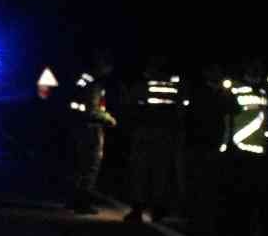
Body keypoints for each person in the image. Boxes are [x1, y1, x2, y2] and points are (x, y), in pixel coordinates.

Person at [123, 54, 188, 222]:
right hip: (165, 134)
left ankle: (138, 209)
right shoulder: (175, 87)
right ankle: (157, 210)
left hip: (145, 133)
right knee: (160, 173)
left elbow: (130, 106)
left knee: (141, 172)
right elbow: (181, 111)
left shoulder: (143, 86)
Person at [68, 49, 116, 213]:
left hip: (78, 125)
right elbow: (92, 109)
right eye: (108, 66)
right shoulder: (95, 83)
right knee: (91, 166)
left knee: (79, 165)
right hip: (91, 128)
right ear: (101, 65)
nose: (110, 70)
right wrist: (108, 119)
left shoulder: (83, 79)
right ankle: (83, 202)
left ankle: (74, 199)